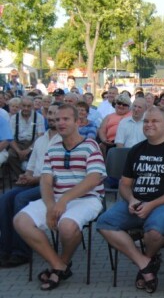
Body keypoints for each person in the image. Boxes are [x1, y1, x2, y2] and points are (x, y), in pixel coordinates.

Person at [97, 107, 164, 293]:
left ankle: (148, 258)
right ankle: (145, 264)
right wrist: (131, 200)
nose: (149, 125)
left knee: (154, 233)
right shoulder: (136, 150)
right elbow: (124, 184)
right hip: (137, 202)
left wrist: (152, 205)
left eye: (154, 121)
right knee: (104, 223)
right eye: (146, 121)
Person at [13, 104, 106, 291]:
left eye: (65, 119)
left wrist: (63, 201)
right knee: (20, 221)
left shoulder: (90, 145)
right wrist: (50, 206)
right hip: (56, 197)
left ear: (77, 122)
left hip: (87, 198)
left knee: (67, 226)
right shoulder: (53, 148)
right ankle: (58, 265)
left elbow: (94, 178)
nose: (60, 123)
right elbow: (46, 181)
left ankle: (62, 263)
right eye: (57, 120)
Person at [0, 104, 61, 268]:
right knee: (5, 198)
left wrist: (34, 179)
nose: (51, 117)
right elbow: (31, 166)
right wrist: (25, 176)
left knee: (20, 198)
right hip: (34, 182)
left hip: (52, 187)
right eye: (49, 113)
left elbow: (59, 175)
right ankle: (5, 248)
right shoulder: (41, 140)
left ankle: (22, 252)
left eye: (56, 114)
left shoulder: (64, 141)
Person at [8, 96, 46, 178]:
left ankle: (32, 177)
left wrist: (29, 149)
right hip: (18, 143)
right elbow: (10, 138)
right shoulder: (14, 118)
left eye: (29, 106)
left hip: (33, 143)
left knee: (38, 154)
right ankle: (19, 177)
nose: (26, 108)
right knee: (11, 154)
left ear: (32, 106)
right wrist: (18, 151)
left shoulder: (39, 117)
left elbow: (40, 136)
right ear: (20, 106)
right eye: (24, 106)